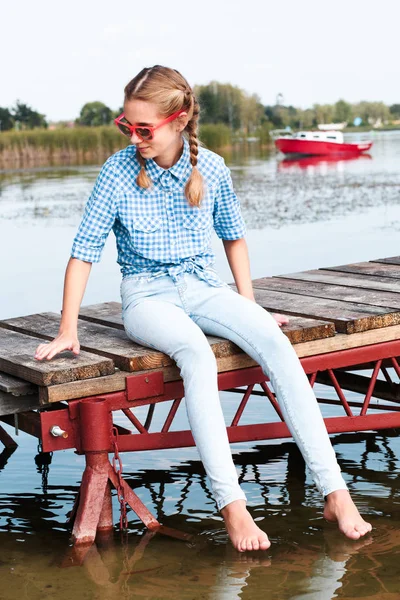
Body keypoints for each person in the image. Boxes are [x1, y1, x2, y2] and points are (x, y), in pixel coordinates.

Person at [34, 65, 372, 552]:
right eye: (125, 126)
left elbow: (234, 239)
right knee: (196, 354)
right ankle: (232, 505)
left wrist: (249, 310)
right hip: (147, 295)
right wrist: (69, 328)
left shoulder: (211, 167)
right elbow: (83, 252)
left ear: (178, 119)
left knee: (275, 345)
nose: (134, 137)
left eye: (143, 128)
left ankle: (335, 492)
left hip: (204, 286)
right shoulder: (117, 170)